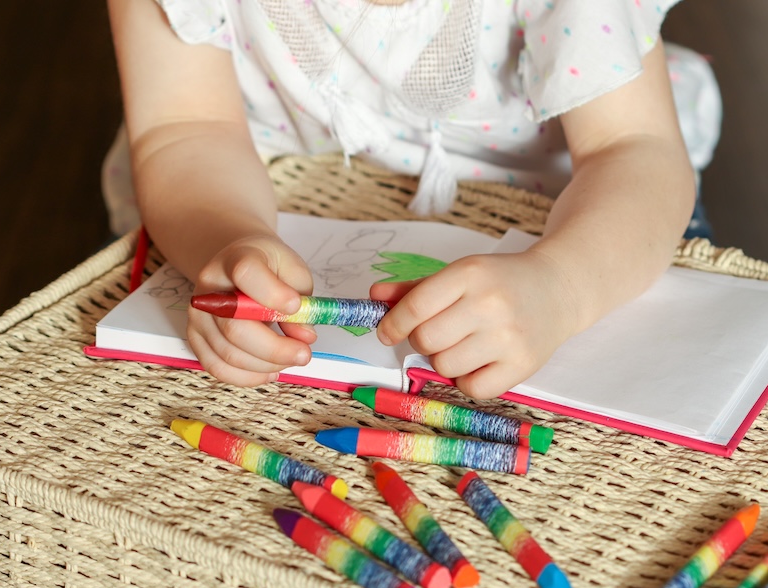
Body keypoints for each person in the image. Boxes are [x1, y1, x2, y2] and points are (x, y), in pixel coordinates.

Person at [105, 0, 721, 399]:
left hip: (563, 186)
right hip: (281, 162)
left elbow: (634, 150)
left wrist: (561, 287)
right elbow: (186, 129)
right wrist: (225, 238)